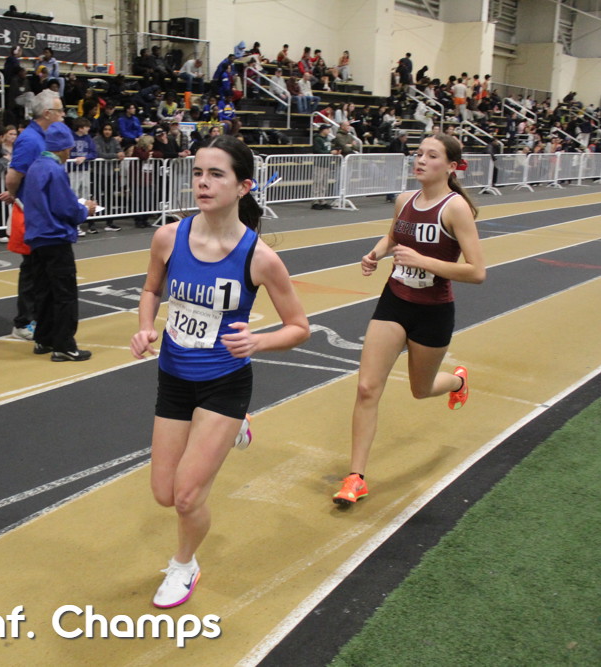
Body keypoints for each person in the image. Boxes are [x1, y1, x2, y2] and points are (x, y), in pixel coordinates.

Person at [130, 134, 310, 608]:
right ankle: (235, 430)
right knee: (163, 494)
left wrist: (258, 340)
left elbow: (300, 327)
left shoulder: (259, 258)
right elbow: (151, 290)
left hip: (224, 383)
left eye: (216, 174)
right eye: (198, 173)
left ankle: (184, 565)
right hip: (174, 377)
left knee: (187, 498)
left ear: (243, 186)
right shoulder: (169, 237)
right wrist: (146, 327)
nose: (203, 183)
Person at [333, 135, 485, 507]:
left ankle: (457, 381)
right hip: (395, 301)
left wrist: (423, 261)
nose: (420, 160)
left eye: (432, 156)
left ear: (451, 167)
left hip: (433, 311)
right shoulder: (405, 200)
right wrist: (375, 253)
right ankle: (356, 477)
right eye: (418, 154)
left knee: (421, 389)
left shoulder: (455, 208)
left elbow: (477, 271)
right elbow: (394, 236)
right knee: (367, 388)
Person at [24, 122, 98, 362]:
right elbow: (65, 207)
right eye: (68, 149)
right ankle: (64, 345)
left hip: (37, 238)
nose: (70, 153)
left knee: (43, 292)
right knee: (64, 294)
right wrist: (85, 210)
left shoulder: (35, 166)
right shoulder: (55, 171)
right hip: (55, 238)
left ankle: (43, 339)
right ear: (63, 148)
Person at [0, 89, 64, 341]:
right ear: (47, 113)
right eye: (59, 111)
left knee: (41, 270)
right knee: (32, 270)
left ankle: (36, 316)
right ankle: (24, 321)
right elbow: (13, 176)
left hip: (42, 212)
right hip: (32, 213)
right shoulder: (30, 139)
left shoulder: (43, 136)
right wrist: (17, 196)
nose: (62, 115)